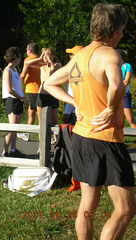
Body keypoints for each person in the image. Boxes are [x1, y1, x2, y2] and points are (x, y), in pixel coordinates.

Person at [44, 4, 136, 240]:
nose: (123, 34)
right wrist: (112, 109)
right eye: (122, 29)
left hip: (82, 138)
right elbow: (116, 84)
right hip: (107, 140)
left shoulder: (79, 57)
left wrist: (74, 101)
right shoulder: (110, 54)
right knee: (125, 209)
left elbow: (50, 83)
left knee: (87, 207)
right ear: (114, 30)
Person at [1, 47, 24, 157]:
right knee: (12, 127)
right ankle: (4, 151)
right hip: (12, 100)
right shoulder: (8, 70)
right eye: (19, 57)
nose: (20, 59)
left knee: (16, 128)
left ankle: (13, 149)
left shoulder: (15, 69)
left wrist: (22, 97)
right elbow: (9, 89)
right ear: (15, 57)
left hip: (18, 100)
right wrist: (20, 97)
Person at [18, 42, 41, 142]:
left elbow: (23, 75)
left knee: (32, 113)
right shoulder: (42, 59)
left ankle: (28, 134)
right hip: (41, 89)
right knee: (37, 113)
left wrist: (19, 87)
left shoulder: (28, 60)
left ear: (29, 50)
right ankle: (31, 133)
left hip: (31, 89)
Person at [37, 48, 61, 126]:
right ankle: (41, 138)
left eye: (48, 56)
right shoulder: (42, 67)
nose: (46, 58)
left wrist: (50, 61)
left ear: (53, 56)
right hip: (42, 94)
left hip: (53, 95)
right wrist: (42, 57)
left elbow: (51, 75)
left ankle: (55, 138)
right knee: (42, 121)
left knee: (54, 121)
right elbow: (47, 80)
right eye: (44, 56)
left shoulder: (57, 65)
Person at [63, 46, 83, 125]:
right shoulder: (84, 67)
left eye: (71, 54)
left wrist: (67, 111)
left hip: (74, 106)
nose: (69, 56)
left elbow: (75, 91)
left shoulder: (75, 68)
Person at [119, 50, 136, 128]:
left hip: (125, 94)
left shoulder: (127, 65)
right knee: (118, 120)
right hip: (115, 94)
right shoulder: (113, 65)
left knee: (130, 120)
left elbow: (126, 81)